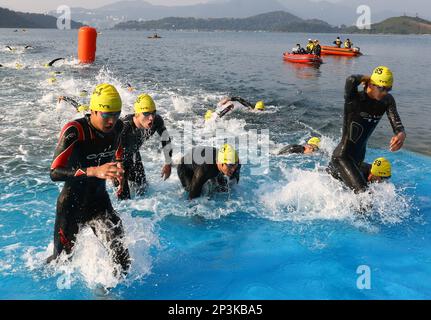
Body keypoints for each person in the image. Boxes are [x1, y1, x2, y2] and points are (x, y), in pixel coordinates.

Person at [48, 83, 130, 277]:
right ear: (93, 110)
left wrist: (118, 167)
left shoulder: (118, 127)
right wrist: (94, 170)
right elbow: (54, 172)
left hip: (99, 202)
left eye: (116, 114)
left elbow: (118, 148)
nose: (111, 120)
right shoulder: (75, 131)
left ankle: (106, 295)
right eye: (106, 115)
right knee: (61, 263)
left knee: (122, 259)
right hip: (71, 206)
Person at [328, 66, 406, 193]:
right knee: (364, 198)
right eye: (382, 88)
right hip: (343, 157)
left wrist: (401, 135)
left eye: (389, 89)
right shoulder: (354, 99)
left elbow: (397, 124)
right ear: (371, 84)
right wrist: (369, 78)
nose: (385, 92)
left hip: (358, 160)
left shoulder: (387, 100)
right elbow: (351, 80)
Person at [117, 94, 173, 200]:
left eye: (153, 113)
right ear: (137, 114)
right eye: (146, 113)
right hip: (117, 159)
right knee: (124, 199)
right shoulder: (124, 127)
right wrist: (117, 166)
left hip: (134, 154)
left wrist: (168, 163)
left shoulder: (156, 121)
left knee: (143, 189)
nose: (151, 118)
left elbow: (166, 138)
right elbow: (109, 147)